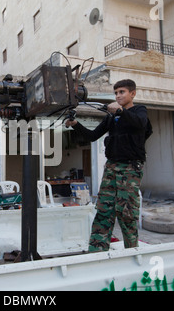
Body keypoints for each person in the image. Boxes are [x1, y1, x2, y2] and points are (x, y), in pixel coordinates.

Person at [65, 79, 152, 252]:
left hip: (130, 168)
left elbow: (140, 124)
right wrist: (75, 125)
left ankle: (132, 251)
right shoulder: (112, 117)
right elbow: (92, 135)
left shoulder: (139, 111)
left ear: (132, 94)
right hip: (112, 166)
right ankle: (96, 252)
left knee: (126, 211)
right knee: (104, 210)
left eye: (122, 92)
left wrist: (120, 111)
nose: (118, 95)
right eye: (116, 93)